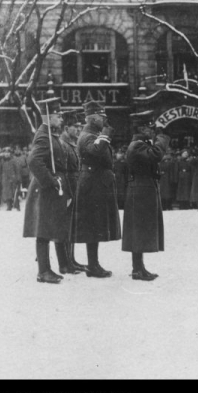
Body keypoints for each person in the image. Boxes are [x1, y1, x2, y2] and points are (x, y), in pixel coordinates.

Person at [23, 98, 73, 284]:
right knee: (43, 229)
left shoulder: (50, 135)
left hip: (51, 188)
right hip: (45, 189)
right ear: (48, 116)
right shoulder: (44, 135)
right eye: (58, 116)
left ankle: (47, 269)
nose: (61, 119)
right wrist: (50, 181)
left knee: (49, 227)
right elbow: (34, 161)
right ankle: (43, 271)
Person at [71, 101, 120, 278]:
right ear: (92, 118)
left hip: (96, 183)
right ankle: (92, 266)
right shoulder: (87, 136)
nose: (105, 120)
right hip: (92, 184)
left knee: (96, 224)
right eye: (101, 117)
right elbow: (96, 150)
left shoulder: (93, 133)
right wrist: (106, 133)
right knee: (92, 226)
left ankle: (94, 264)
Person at [122, 111, 171, 280]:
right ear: (142, 129)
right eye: (150, 128)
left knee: (141, 230)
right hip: (141, 190)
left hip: (143, 189)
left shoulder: (140, 144)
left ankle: (139, 267)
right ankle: (137, 269)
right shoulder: (137, 145)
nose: (153, 131)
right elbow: (156, 155)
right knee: (139, 230)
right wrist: (162, 138)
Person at [59, 111, 88, 273]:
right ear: (66, 128)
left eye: (79, 127)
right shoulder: (63, 144)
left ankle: (71, 260)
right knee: (64, 227)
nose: (78, 130)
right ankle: (65, 263)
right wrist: (68, 194)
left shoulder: (72, 144)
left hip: (74, 188)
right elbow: (63, 172)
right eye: (75, 127)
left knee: (72, 227)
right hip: (68, 189)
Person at [0, 147, 21, 211]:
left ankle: (17, 205)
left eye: (8, 153)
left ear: (10, 153)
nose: (7, 154)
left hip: (13, 179)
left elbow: (17, 170)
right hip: (5, 179)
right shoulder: (2, 161)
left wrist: (18, 178)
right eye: (5, 153)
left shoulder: (14, 160)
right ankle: (9, 206)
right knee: (7, 193)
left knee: (14, 192)